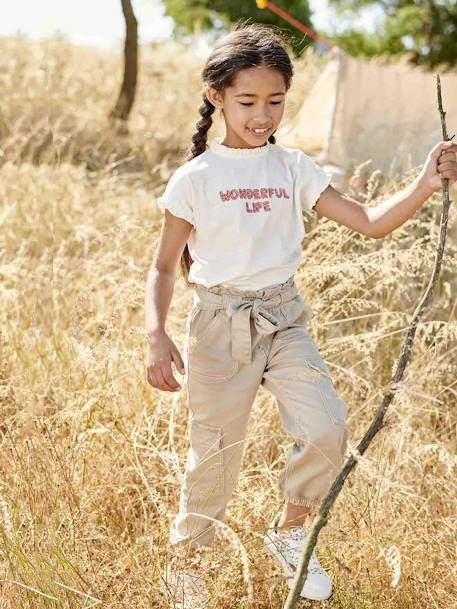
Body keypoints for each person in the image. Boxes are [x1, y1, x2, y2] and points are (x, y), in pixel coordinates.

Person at [145, 22, 457, 607]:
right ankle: (190, 564)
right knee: (213, 454)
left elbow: (369, 221)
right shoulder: (195, 179)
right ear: (216, 97)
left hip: (284, 317)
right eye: (247, 102)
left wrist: (425, 180)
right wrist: (156, 335)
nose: (263, 115)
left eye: (276, 101)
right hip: (218, 325)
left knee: (325, 428)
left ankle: (291, 534)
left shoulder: (293, 168)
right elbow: (164, 268)